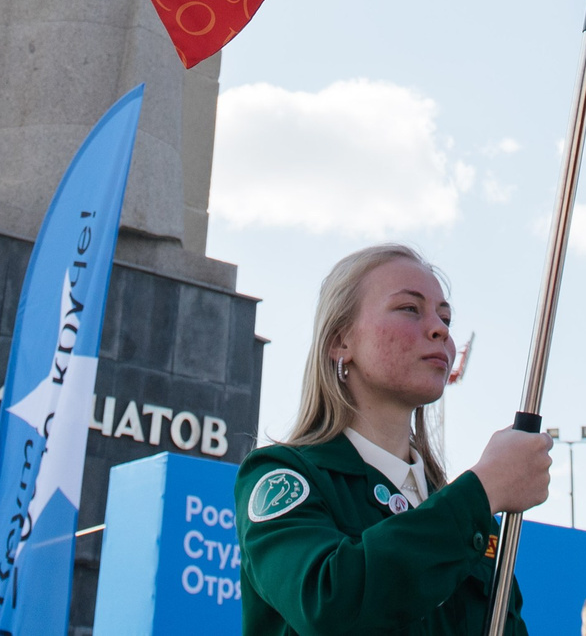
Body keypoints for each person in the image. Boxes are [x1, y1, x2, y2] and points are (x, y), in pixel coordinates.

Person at [236, 244, 551, 636]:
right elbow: (329, 604)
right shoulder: (284, 477)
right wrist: (483, 489)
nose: (440, 329)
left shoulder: (472, 518)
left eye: (445, 317)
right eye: (409, 308)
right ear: (341, 340)